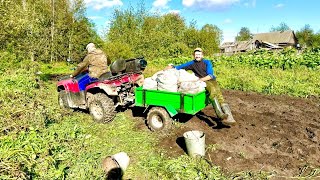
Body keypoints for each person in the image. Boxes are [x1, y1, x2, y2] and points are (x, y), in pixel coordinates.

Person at [165, 47, 236, 125]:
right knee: (213, 91)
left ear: (202, 55)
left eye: (199, 54)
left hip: (210, 80)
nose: (197, 56)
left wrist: (199, 80)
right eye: (196, 54)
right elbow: (180, 66)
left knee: (219, 95)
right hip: (204, 82)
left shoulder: (207, 62)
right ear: (194, 55)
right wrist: (172, 67)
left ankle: (229, 118)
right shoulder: (192, 63)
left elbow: (210, 75)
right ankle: (220, 115)